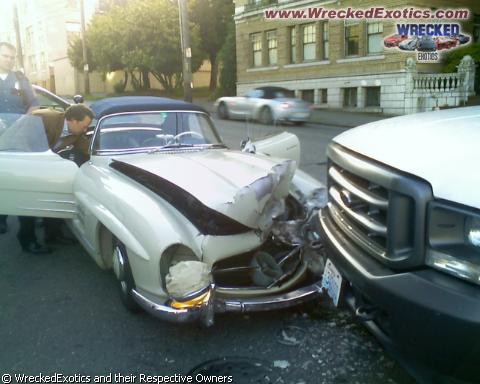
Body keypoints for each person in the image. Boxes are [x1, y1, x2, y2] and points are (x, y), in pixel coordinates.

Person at [16, 104, 94, 253]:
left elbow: (87, 149)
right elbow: (21, 142)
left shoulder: (76, 132)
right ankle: (27, 239)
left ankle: (53, 235)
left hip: (45, 166)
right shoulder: (42, 118)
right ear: (73, 121)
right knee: (28, 202)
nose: (85, 130)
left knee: (54, 197)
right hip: (23, 162)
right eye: (84, 126)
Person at [0, 41, 38, 236]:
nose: (9, 60)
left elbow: (33, 104)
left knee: (22, 181)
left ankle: (27, 233)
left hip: (19, 137)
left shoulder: (20, 78)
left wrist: (24, 120)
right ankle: (1, 217)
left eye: (12, 57)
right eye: (5, 55)